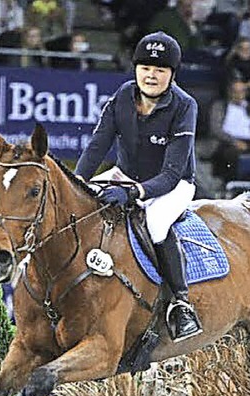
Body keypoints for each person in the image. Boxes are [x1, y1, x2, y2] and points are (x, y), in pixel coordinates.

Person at [74, 31, 202, 342]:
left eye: (160, 70)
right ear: (136, 70)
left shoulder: (185, 106)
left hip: (174, 184)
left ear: (172, 74)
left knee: (156, 223)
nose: (151, 75)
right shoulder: (122, 96)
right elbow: (97, 146)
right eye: (145, 68)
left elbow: (171, 174)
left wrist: (133, 193)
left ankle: (180, 304)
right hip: (126, 174)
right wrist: (78, 182)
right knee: (79, 204)